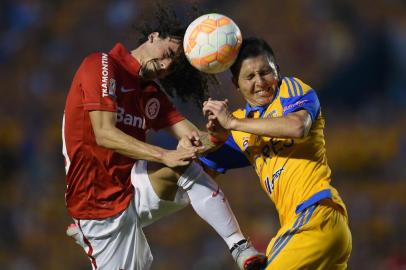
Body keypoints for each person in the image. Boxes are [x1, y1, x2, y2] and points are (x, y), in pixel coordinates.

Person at [62, 7, 265, 270]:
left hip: (129, 189)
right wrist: (164, 154)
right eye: (169, 53)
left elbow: (193, 140)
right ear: (153, 37)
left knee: (186, 168)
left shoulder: (148, 93)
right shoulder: (102, 65)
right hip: (97, 206)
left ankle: (240, 248)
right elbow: (104, 133)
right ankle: (86, 230)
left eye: (174, 66)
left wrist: (218, 133)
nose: (167, 65)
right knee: (175, 162)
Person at [201, 37, 352, 269]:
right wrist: (212, 138)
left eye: (266, 72)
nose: (260, 82)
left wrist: (232, 122)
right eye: (250, 77)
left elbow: (297, 127)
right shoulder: (241, 127)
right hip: (302, 229)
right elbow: (200, 171)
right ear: (236, 83)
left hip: (315, 217)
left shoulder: (291, 91)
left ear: (277, 71)